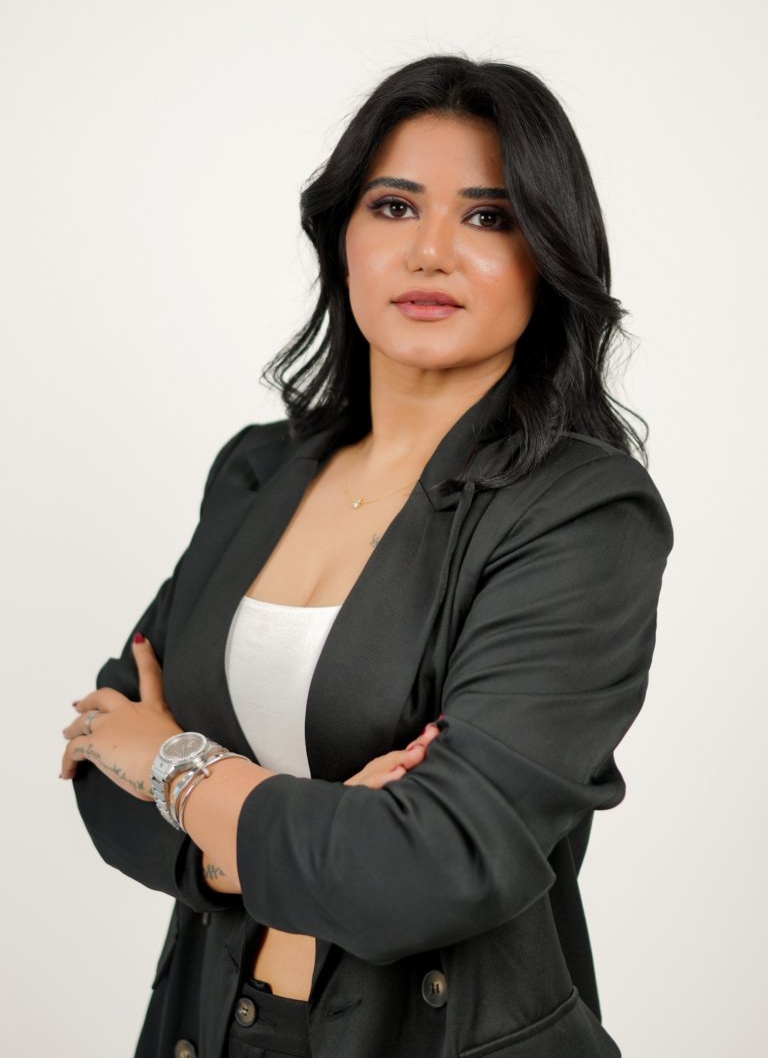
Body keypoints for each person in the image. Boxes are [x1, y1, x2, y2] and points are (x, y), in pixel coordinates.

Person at [61, 54, 673, 1058]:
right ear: (342, 236)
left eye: (488, 217)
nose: (430, 251)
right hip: (209, 1026)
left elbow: (435, 864)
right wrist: (284, 837)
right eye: (394, 207)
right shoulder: (258, 471)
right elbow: (98, 756)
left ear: (547, 254)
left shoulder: (585, 514)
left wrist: (173, 764)